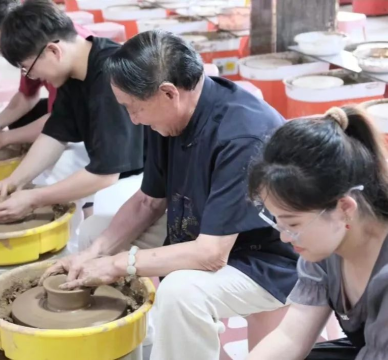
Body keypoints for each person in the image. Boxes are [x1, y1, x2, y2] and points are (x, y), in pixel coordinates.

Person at [41, 30, 298, 360]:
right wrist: (93, 254)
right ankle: (157, 341)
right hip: (203, 229)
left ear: (168, 93)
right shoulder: (169, 117)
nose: (133, 120)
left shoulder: (243, 136)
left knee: (180, 293)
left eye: (134, 109)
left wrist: (120, 265)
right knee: (94, 235)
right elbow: (148, 201)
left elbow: (211, 254)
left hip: (266, 257)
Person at [0, 0, 145, 224]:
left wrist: (34, 198)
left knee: (92, 216)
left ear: (54, 50)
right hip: (114, 168)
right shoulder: (74, 71)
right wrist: (14, 181)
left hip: (150, 180)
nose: (31, 77)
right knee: (56, 190)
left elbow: (106, 175)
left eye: (29, 68)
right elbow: (55, 134)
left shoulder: (110, 78)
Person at [246, 106, 388, 360]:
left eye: (294, 223)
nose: (284, 236)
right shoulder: (328, 246)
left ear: (344, 207)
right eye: (277, 220)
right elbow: (291, 337)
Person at [0, 0, 93, 156]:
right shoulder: (27, 47)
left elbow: (60, 121)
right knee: (21, 122)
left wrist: (2, 139)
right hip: (70, 113)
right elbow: (27, 95)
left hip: (95, 123)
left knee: (60, 157)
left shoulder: (58, 54)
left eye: (5, 45)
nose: (8, 54)